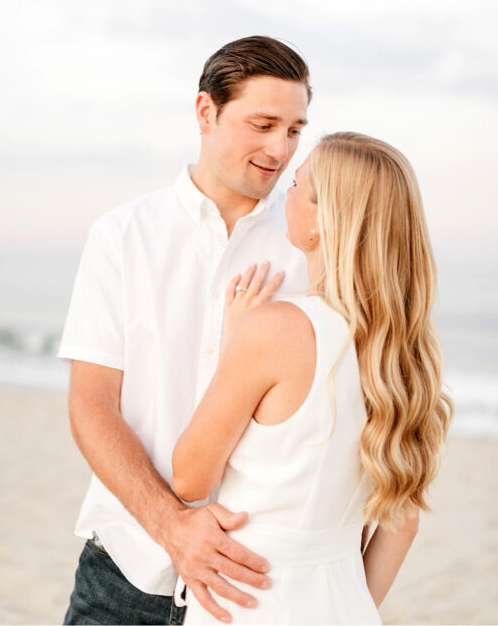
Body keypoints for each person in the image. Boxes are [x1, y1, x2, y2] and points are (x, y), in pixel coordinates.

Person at [59, 36, 312, 624]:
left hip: (256, 584)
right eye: (264, 123)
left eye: (296, 130)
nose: (281, 149)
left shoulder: (311, 250)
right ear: (206, 112)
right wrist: (172, 527)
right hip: (122, 572)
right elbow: (92, 403)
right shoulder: (122, 236)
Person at [172, 132, 452, 623]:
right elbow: (402, 522)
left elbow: (190, 476)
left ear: (323, 219)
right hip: (346, 604)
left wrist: (235, 344)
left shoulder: (275, 327)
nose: (287, 192)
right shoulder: (405, 353)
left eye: (298, 183)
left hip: (250, 601)